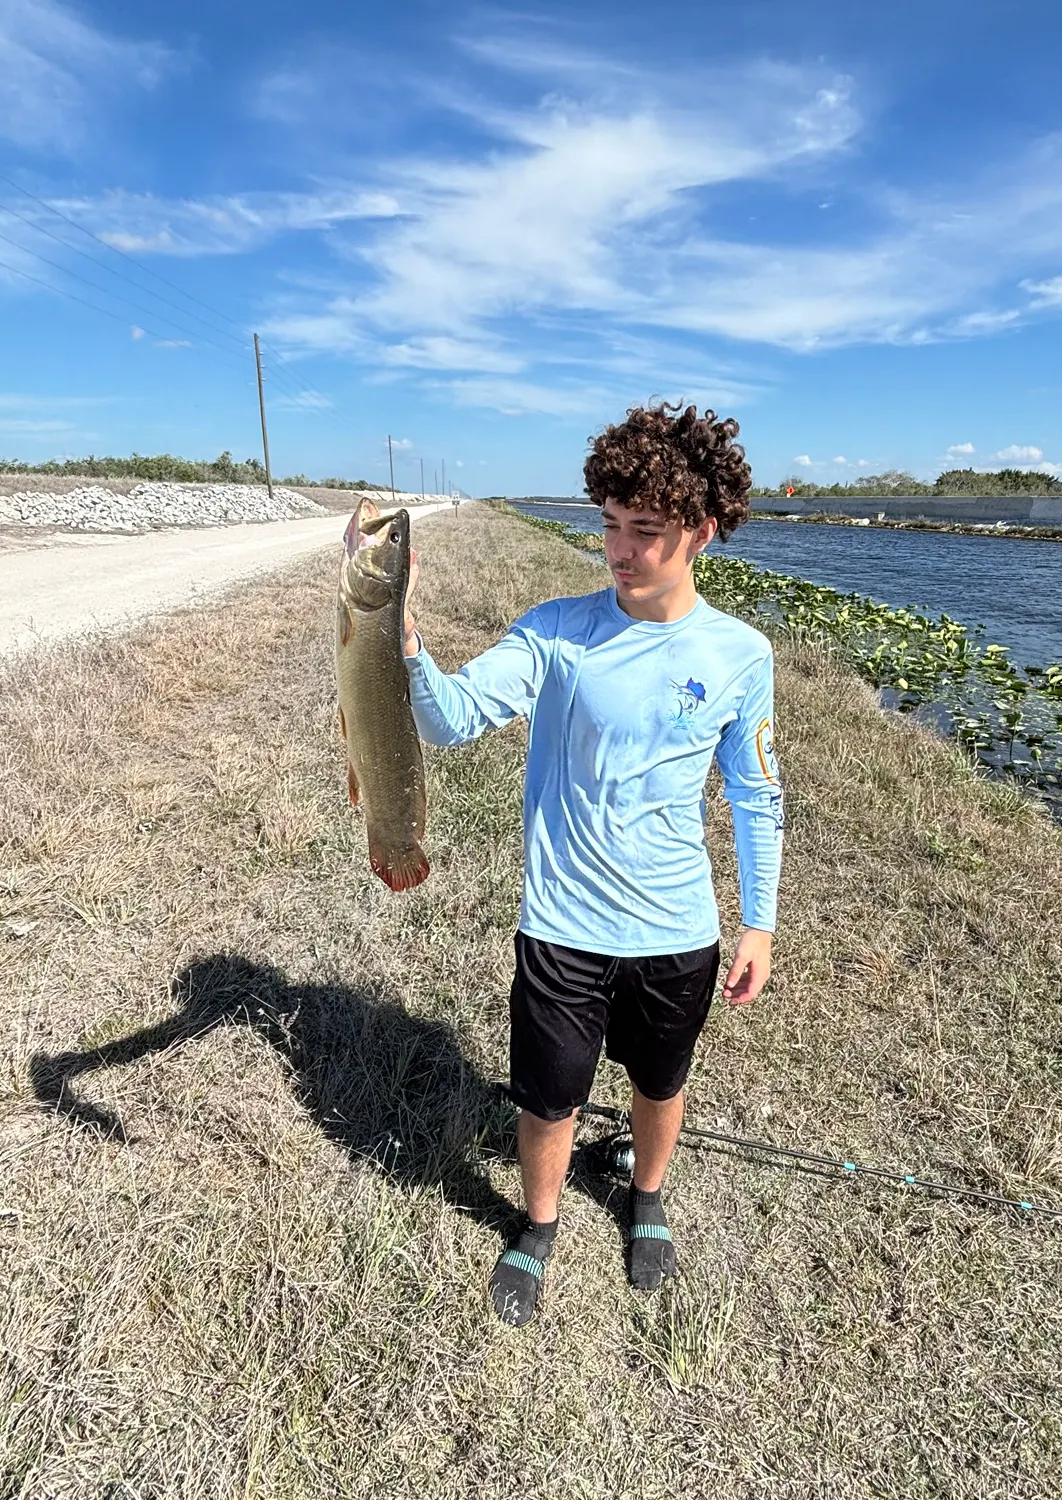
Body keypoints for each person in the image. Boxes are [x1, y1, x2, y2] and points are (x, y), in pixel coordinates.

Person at [402, 402, 783, 1326]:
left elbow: (755, 793)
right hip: (563, 924)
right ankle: (538, 1224)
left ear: (703, 531)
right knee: (547, 1096)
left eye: (645, 529)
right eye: (609, 523)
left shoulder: (741, 654)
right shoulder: (556, 632)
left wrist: (760, 921)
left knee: (660, 1083)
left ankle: (646, 1195)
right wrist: (398, 634)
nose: (619, 548)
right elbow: (450, 720)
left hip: (678, 929)